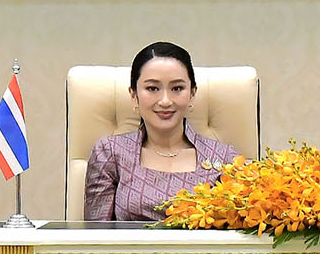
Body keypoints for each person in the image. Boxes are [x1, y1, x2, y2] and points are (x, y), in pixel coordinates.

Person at [83, 42, 240, 221]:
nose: (165, 101)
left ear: (192, 94)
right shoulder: (110, 152)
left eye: (177, 88)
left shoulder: (225, 158)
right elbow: (96, 233)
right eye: (152, 88)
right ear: (134, 95)